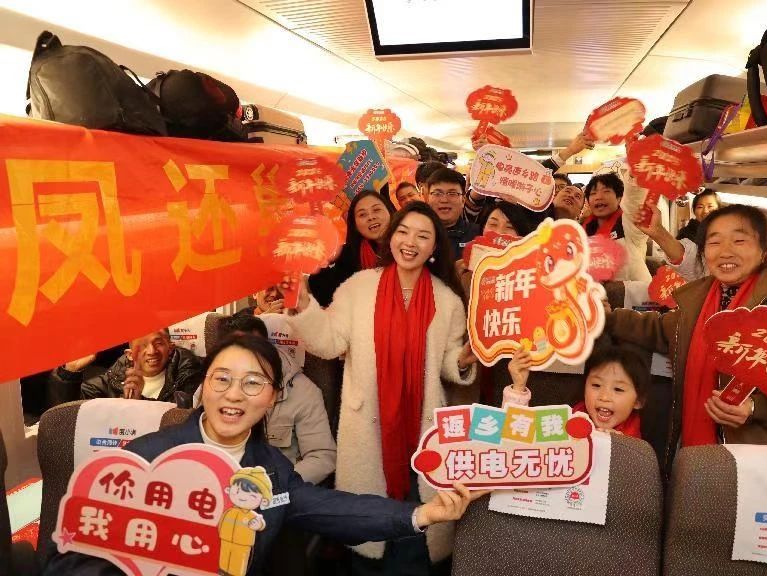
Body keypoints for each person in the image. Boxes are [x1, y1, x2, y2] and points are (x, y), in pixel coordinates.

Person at [42, 335, 484, 576]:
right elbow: (75, 555)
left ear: (272, 397)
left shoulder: (270, 472)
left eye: (253, 383)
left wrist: (422, 514)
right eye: (222, 379)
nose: (234, 394)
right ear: (202, 387)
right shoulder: (144, 458)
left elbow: (334, 509)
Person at [287, 201, 477, 572]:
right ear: (391, 238)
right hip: (367, 425)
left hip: (422, 427)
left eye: (423, 236)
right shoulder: (358, 288)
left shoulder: (447, 300)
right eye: (403, 232)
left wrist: (464, 359)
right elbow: (329, 342)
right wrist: (304, 305)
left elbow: (446, 361)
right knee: (367, 527)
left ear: (434, 247)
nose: (410, 242)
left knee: (418, 525)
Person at [606, 205, 767, 474]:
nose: (725, 251)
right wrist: (602, 317)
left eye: (739, 240)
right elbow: (662, 330)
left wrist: (758, 408)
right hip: (709, 455)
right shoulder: (701, 297)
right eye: (714, 242)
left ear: (765, 248)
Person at [194, 312, 337, 484]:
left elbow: (322, 456)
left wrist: (270, 484)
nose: (245, 357)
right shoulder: (210, 385)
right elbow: (196, 439)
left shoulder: (303, 391)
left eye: (253, 348)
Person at [503, 346, 647, 438]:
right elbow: (517, 435)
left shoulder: (636, 449)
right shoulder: (568, 418)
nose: (604, 397)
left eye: (618, 389)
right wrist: (518, 386)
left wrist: (619, 449)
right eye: (596, 385)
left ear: (638, 401)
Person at [51, 329, 202, 406]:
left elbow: (180, 419)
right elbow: (66, 416)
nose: (151, 351)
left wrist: (136, 403)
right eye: (142, 345)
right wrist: (69, 373)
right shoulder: (112, 380)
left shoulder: (191, 375)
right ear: (130, 355)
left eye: (158, 343)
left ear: (171, 348)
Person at [309, 189, 395, 307]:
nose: (371, 217)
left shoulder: (411, 240)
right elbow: (324, 293)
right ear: (355, 225)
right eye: (362, 214)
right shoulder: (350, 255)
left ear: (389, 211)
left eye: (376, 210)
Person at [426, 167, 480, 259]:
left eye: (452, 194)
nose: (444, 200)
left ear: (463, 200)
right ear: (427, 199)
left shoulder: (477, 235)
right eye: (437, 193)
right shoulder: (416, 233)